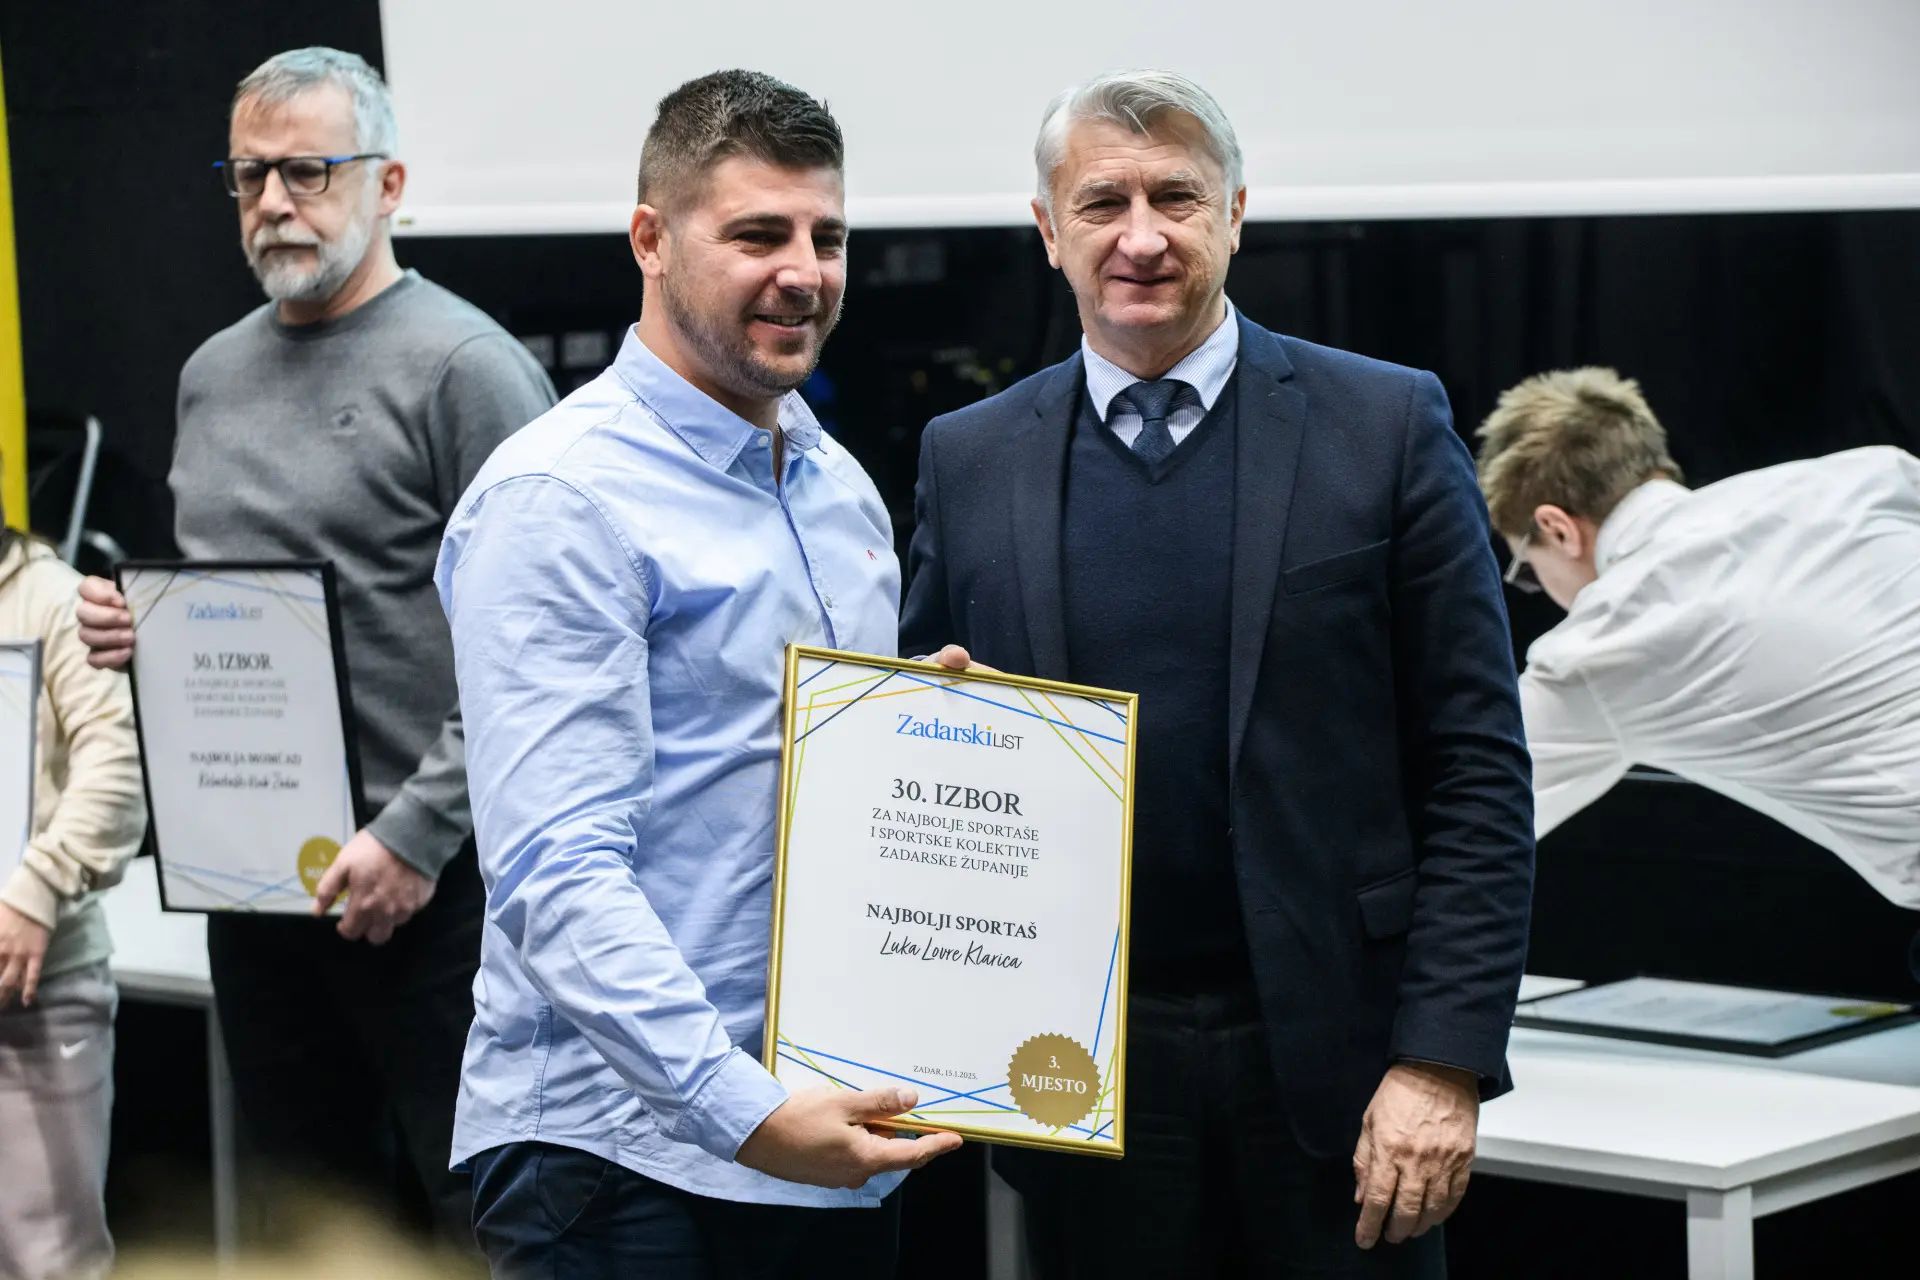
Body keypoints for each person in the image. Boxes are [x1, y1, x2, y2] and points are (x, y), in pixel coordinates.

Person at [899, 69, 1535, 1277]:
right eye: (1102, 203)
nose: (1140, 237)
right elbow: (919, 742)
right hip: (1079, 1075)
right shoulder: (968, 456)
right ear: (1047, 230)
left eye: (1176, 198)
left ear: (1236, 213)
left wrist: (1443, 1059)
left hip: (1346, 1072)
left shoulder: (1386, 424)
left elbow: (1478, 768)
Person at [437, 70, 962, 1280]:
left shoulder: (836, 486)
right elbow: (556, 867)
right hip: (618, 1159)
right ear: (651, 240)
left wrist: (924, 730)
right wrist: (743, 1108)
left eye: (828, 236)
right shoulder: (561, 498)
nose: (806, 271)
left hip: (821, 1128)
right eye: (758, 234)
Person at [71, 48, 555, 1245]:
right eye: (249, 175)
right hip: (257, 888)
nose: (274, 202)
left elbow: (543, 644)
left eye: (308, 170)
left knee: (483, 1225)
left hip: (435, 894)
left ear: (388, 185)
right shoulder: (210, 374)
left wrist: (417, 834)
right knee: (306, 1225)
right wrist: (142, 632)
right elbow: (235, 613)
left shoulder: (469, 368)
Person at [1476, 367, 1920, 916]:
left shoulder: (1603, 646)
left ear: (1557, 528)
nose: (1540, 589)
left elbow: (1470, 821)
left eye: (1527, 568)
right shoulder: (1869, 476)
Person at [0, 525, 147, 1280]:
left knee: (50, 1262)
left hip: (38, 992)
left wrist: (36, 890)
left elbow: (116, 770)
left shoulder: (54, 599)